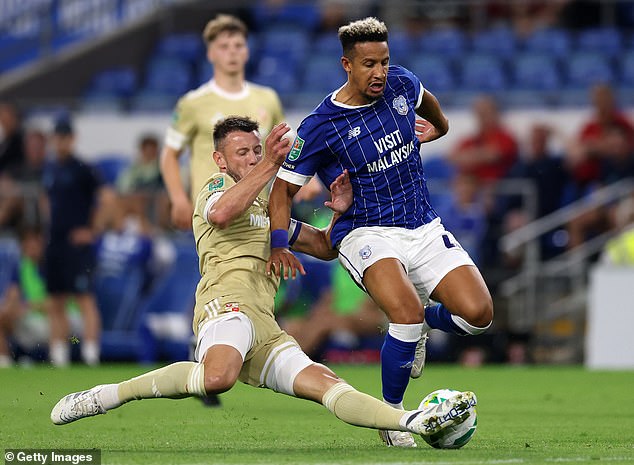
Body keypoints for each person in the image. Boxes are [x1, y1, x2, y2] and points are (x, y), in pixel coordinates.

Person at [50, 116, 477, 440]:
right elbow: (222, 213)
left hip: (265, 327)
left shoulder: (269, 209)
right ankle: (109, 395)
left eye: (257, 151)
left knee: (328, 385)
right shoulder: (215, 189)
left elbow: (324, 246)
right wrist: (272, 164)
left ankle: (411, 421)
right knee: (217, 378)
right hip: (225, 309)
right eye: (243, 152)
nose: (253, 158)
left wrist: (340, 213)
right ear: (220, 160)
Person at [268, 17, 492, 447]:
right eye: (369, 64)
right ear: (347, 65)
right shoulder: (321, 125)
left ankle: (423, 323)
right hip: (365, 231)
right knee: (403, 315)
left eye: (385, 61)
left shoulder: (402, 84)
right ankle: (391, 418)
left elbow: (430, 103)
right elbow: (282, 191)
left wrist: (441, 127)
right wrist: (279, 245)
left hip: (422, 224)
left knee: (478, 316)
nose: (380, 72)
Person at [160, 13, 284, 230]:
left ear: (247, 51)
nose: (232, 52)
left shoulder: (268, 98)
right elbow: (170, 154)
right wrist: (179, 199)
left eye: (238, 45)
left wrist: (307, 180)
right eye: (224, 46)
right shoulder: (193, 103)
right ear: (211, 53)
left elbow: (285, 143)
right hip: (213, 213)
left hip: (257, 211)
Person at [42, 118, 103, 367]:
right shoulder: (50, 169)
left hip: (77, 245)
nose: (61, 142)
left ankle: (90, 352)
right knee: (55, 299)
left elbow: (106, 199)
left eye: (65, 137)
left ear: (72, 139)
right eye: (58, 137)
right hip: (55, 243)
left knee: (84, 298)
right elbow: (46, 200)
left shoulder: (82, 169)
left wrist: (92, 230)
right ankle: (59, 354)